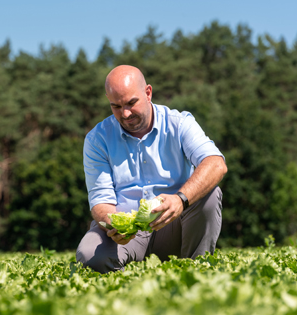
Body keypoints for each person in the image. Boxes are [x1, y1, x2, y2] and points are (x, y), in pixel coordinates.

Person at [76, 65, 227, 273]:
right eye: (116, 106)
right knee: (89, 255)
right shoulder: (97, 138)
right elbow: (100, 200)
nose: (125, 114)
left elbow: (216, 163)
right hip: (126, 234)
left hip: (173, 224)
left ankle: (196, 272)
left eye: (131, 103)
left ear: (148, 93)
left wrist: (180, 199)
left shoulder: (179, 124)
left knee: (209, 194)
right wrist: (112, 224)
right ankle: (126, 283)